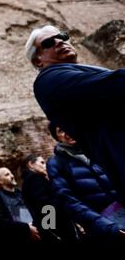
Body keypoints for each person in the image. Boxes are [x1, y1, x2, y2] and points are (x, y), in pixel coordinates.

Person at [25, 25, 125, 200]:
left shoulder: (75, 71)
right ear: (38, 60)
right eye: (48, 42)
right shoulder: (49, 79)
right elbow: (116, 85)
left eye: (63, 36)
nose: (59, 41)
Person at [46, 122, 125, 240]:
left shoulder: (96, 150)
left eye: (67, 127)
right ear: (57, 137)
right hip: (105, 228)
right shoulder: (56, 163)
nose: (67, 132)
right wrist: (107, 227)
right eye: (60, 131)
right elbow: (69, 201)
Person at [21, 154, 78, 241]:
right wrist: (55, 231)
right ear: (31, 165)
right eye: (42, 162)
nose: (45, 165)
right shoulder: (35, 178)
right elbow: (45, 205)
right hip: (59, 228)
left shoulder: (29, 181)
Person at [0, 167, 41, 241]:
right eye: (7, 174)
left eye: (11, 173)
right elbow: (1, 222)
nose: (12, 176)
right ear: (0, 181)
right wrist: (26, 227)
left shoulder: (22, 193)